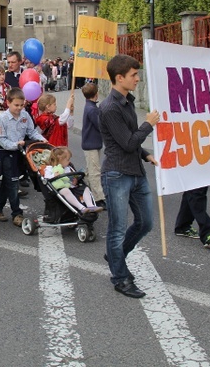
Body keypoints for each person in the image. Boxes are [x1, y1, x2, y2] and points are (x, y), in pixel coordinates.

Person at [99, 54, 159, 299]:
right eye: (133, 75)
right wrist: (148, 125)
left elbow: (129, 137)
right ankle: (121, 278)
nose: (138, 78)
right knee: (117, 229)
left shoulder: (127, 101)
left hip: (136, 170)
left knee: (146, 222)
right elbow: (125, 142)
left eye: (137, 74)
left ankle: (115, 256)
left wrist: (145, 154)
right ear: (119, 78)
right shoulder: (110, 107)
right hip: (117, 174)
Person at [0, 87, 46, 226]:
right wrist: (15, 144)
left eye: (21, 105)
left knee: (8, 181)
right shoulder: (2, 118)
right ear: (8, 102)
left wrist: (41, 140)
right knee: (13, 182)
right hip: (4, 152)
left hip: (18, 152)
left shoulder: (25, 115)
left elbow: (31, 131)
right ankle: (17, 213)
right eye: (16, 105)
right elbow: (1, 139)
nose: (19, 108)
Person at [43, 147, 102, 214]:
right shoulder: (50, 168)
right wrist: (54, 175)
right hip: (59, 188)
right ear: (60, 159)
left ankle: (90, 206)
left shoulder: (68, 168)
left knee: (85, 188)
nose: (69, 162)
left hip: (71, 186)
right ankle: (81, 208)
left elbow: (70, 178)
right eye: (68, 160)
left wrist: (74, 181)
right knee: (65, 190)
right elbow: (46, 178)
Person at [81, 83, 105, 205]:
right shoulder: (92, 109)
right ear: (96, 94)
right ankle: (98, 197)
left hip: (91, 143)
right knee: (95, 171)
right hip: (91, 144)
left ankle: (85, 186)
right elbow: (100, 125)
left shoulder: (90, 107)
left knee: (91, 169)